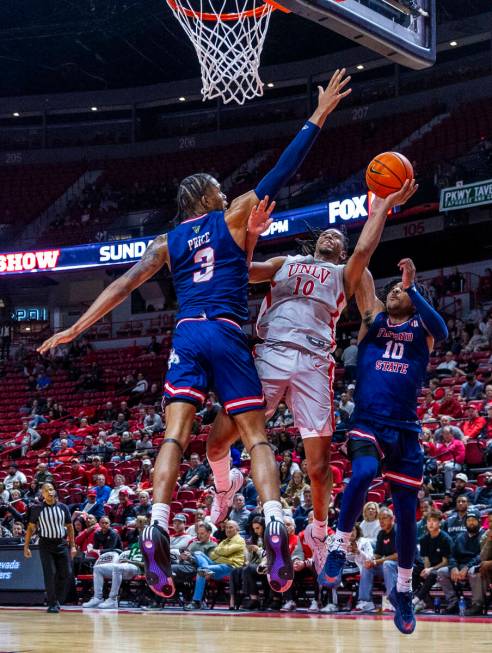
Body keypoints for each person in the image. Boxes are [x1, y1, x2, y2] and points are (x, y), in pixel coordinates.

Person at [38, 68, 353, 599]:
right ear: (206, 198)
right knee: (256, 437)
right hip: (227, 333)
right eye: (219, 188)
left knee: (173, 436)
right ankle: (276, 521)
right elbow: (280, 172)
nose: (226, 190)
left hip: (186, 334)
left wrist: (75, 327)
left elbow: (121, 285)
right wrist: (318, 114)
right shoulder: (231, 217)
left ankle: (156, 523)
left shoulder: (166, 242)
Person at [205, 181, 418, 577]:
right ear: (317, 241)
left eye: (340, 237)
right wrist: (248, 234)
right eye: (329, 234)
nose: (334, 237)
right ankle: (224, 483)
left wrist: (383, 206)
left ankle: (318, 533)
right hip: (269, 354)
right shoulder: (284, 263)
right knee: (215, 443)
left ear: (340, 249)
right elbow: (242, 272)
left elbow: (365, 250)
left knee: (318, 468)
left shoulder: (344, 272)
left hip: (314, 364)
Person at [322, 258, 448, 635]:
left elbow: (441, 330)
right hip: (367, 422)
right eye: (392, 289)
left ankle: (404, 591)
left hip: (405, 430)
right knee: (361, 473)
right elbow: (361, 267)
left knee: (407, 514)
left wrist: (410, 286)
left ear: (413, 298)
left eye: (401, 291)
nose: (394, 292)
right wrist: (377, 211)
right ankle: (340, 544)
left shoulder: (422, 327)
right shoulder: (372, 318)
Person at [23, 483, 76, 613]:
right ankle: (52, 603)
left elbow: (69, 527)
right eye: (46, 490)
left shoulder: (63, 507)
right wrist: (26, 547)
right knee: (50, 573)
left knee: (66, 573)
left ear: (54, 491)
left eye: (51, 489)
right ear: (43, 494)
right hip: (45, 544)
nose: (50, 492)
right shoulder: (37, 509)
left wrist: (73, 546)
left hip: (61, 544)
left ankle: (56, 599)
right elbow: (30, 528)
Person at [185, 520, 245, 610]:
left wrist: (220, 551)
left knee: (201, 571)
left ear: (237, 529)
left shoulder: (240, 540)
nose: (228, 529)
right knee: (198, 553)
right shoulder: (224, 541)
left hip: (230, 568)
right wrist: (221, 552)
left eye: (231, 527)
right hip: (217, 566)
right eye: (227, 527)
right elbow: (213, 555)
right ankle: (205, 569)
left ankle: (196, 601)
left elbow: (224, 551)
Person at [436, 507, 485, 614]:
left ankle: (477, 604)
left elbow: (481, 556)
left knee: (474, 572)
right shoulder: (460, 537)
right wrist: (453, 567)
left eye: (473, 520)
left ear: (479, 521)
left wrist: (467, 567)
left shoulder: (484, 535)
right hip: (460, 567)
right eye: (468, 520)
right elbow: (452, 555)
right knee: (441, 572)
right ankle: (453, 602)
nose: (471, 523)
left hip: (473, 567)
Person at [82, 536, 146, 609]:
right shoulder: (135, 545)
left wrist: (129, 561)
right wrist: (126, 561)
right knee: (97, 568)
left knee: (117, 568)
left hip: (138, 569)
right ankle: (97, 598)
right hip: (127, 566)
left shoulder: (151, 546)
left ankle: (113, 599)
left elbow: (146, 564)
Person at [355, 508, 398, 613]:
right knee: (367, 565)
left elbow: (397, 556)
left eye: (384, 518)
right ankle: (366, 601)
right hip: (387, 566)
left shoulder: (398, 532)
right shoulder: (381, 534)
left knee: (387, 564)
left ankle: (392, 601)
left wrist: (377, 561)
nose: (381, 521)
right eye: (380, 519)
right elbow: (378, 553)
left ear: (392, 519)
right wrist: (372, 559)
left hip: (402, 567)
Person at [412, 510, 452, 612]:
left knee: (433, 574)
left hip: (446, 566)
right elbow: (426, 559)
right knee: (414, 571)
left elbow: (446, 561)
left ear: (440, 523)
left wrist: (430, 569)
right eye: (428, 521)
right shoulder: (424, 539)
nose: (430, 523)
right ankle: (418, 599)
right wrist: (426, 569)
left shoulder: (445, 539)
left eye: (434, 521)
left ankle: (415, 601)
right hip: (432, 566)